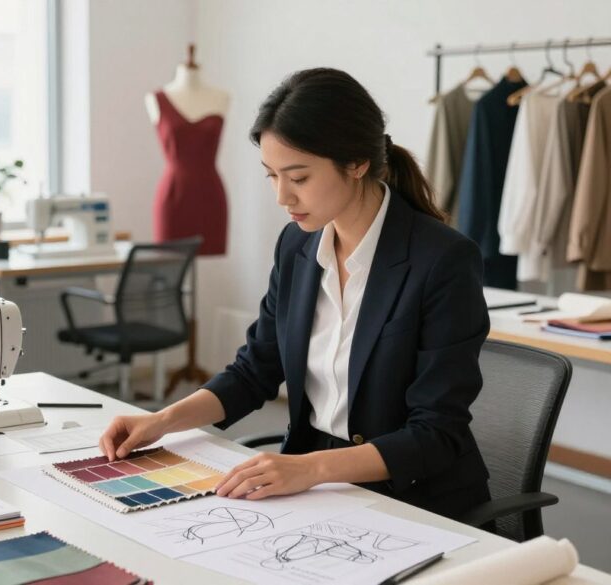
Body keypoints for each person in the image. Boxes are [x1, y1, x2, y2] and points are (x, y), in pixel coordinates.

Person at [100, 68, 491, 520]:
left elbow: (436, 434)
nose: (283, 196)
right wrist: (160, 422)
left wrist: (310, 469)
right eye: (271, 176)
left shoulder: (442, 259)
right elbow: (255, 370)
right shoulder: (297, 245)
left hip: (413, 498)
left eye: (299, 177)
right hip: (318, 484)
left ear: (357, 162)